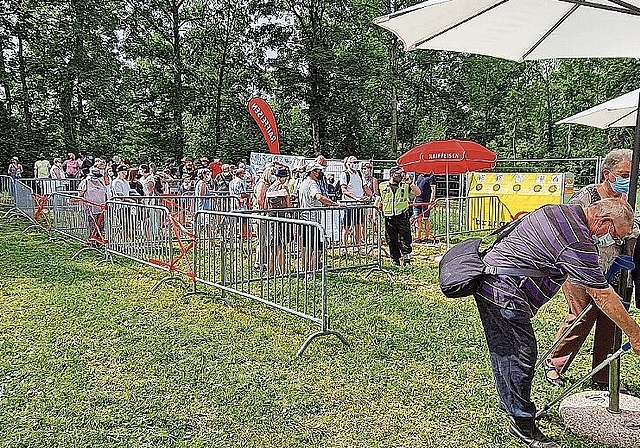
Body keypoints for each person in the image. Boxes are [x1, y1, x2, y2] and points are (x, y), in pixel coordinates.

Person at [473, 198, 640, 448]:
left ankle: (512, 402)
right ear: (604, 221)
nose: (614, 241)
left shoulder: (560, 211)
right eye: (616, 235)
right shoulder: (577, 240)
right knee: (520, 355)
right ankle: (522, 425)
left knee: (509, 352)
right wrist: (636, 335)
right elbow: (602, 294)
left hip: (493, 282)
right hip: (503, 291)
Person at [545, 148, 636, 389]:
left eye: (632, 174)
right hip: (581, 268)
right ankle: (554, 364)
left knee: (611, 320)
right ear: (608, 173)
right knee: (581, 316)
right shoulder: (587, 196)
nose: (629, 179)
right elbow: (572, 230)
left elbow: (634, 228)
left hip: (615, 268)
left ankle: (602, 375)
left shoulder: (628, 199)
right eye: (624, 173)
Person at [298, 163, 338, 272]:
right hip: (313, 220)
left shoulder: (303, 183)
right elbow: (318, 196)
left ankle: (305, 269)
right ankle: (311, 270)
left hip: (305, 218)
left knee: (307, 247)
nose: (320, 173)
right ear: (312, 172)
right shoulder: (312, 184)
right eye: (318, 171)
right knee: (319, 247)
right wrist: (334, 204)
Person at [378, 166, 421, 266]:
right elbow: (379, 200)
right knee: (391, 240)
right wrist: (377, 213)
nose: (401, 176)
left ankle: (406, 259)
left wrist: (410, 183)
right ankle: (395, 260)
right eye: (399, 174)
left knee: (405, 238)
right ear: (392, 175)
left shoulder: (405, 185)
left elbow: (418, 193)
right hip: (389, 218)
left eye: (403, 174)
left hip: (402, 216)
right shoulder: (382, 186)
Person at [340, 156, 372, 252]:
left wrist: (373, 196)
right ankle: (344, 247)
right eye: (353, 162)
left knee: (358, 225)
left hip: (359, 205)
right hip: (349, 205)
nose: (355, 164)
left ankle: (357, 247)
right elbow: (344, 190)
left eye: (356, 162)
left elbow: (365, 187)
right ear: (348, 163)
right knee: (346, 227)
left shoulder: (359, 173)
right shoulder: (344, 174)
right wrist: (356, 198)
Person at [413, 171, 437, 243]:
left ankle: (427, 237)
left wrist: (431, 201)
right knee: (417, 219)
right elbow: (416, 189)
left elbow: (433, 190)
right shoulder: (419, 176)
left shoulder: (431, 177)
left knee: (426, 219)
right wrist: (414, 199)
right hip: (417, 201)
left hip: (426, 201)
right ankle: (418, 237)